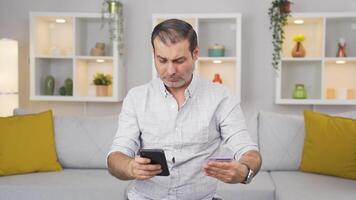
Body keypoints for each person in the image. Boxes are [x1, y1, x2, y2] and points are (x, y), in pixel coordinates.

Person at [107, 18, 262, 200]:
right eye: (162, 60)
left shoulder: (222, 98)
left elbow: (249, 151)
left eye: (179, 60)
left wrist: (245, 171)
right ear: (154, 54)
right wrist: (129, 167)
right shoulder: (136, 98)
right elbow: (115, 156)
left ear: (195, 54)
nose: (170, 70)